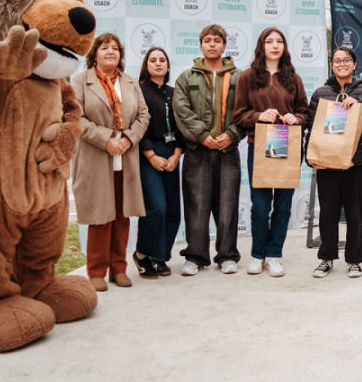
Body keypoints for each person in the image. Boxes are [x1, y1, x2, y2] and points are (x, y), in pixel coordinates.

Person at [72, 33, 150, 291]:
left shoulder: (130, 82)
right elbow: (76, 117)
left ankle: (119, 269)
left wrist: (127, 140)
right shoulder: (81, 81)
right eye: (104, 48)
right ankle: (96, 272)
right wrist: (107, 140)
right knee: (100, 216)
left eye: (115, 48)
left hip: (125, 156)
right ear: (94, 54)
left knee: (122, 215)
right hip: (97, 155)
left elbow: (143, 115)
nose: (110, 52)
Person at [232, 27, 309, 277]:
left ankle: (274, 254)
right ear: (261, 46)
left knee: (284, 205)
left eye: (279, 41)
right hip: (260, 146)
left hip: (289, 146)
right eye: (269, 41)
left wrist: (295, 118)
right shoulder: (247, 77)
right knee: (260, 207)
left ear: (284, 47)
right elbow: (239, 115)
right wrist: (258, 116)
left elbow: (305, 113)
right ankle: (257, 254)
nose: (274, 45)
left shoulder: (293, 78)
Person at [305, 47, 362, 278]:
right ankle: (327, 258)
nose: (342, 64)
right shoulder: (320, 93)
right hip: (327, 164)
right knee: (328, 213)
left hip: (356, 164)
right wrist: (310, 158)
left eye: (346, 60)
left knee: (354, 213)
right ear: (332, 65)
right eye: (337, 61)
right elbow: (310, 129)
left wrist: (359, 104)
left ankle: (354, 260)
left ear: (354, 64)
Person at [173, 25, 245, 276]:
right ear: (200, 45)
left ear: (225, 46)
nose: (212, 44)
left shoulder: (239, 77)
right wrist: (203, 135)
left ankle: (227, 255)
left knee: (227, 205)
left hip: (228, 151)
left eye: (217, 40)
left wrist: (232, 134)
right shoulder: (186, 77)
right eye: (207, 40)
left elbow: (245, 110)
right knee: (197, 205)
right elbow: (181, 110)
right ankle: (195, 256)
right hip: (197, 151)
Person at [132, 47, 184, 279]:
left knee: (173, 211)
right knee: (157, 208)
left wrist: (176, 155)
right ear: (146, 65)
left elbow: (183, 126)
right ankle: (142, 254)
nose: (158, 63)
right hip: (149, 154)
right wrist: (151, 155)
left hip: (172, 153)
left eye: (162, 59)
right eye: (153, 60)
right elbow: (137, 123)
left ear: (167, 65)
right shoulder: (139, 90)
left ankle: (160, 257)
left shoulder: (175, 92)